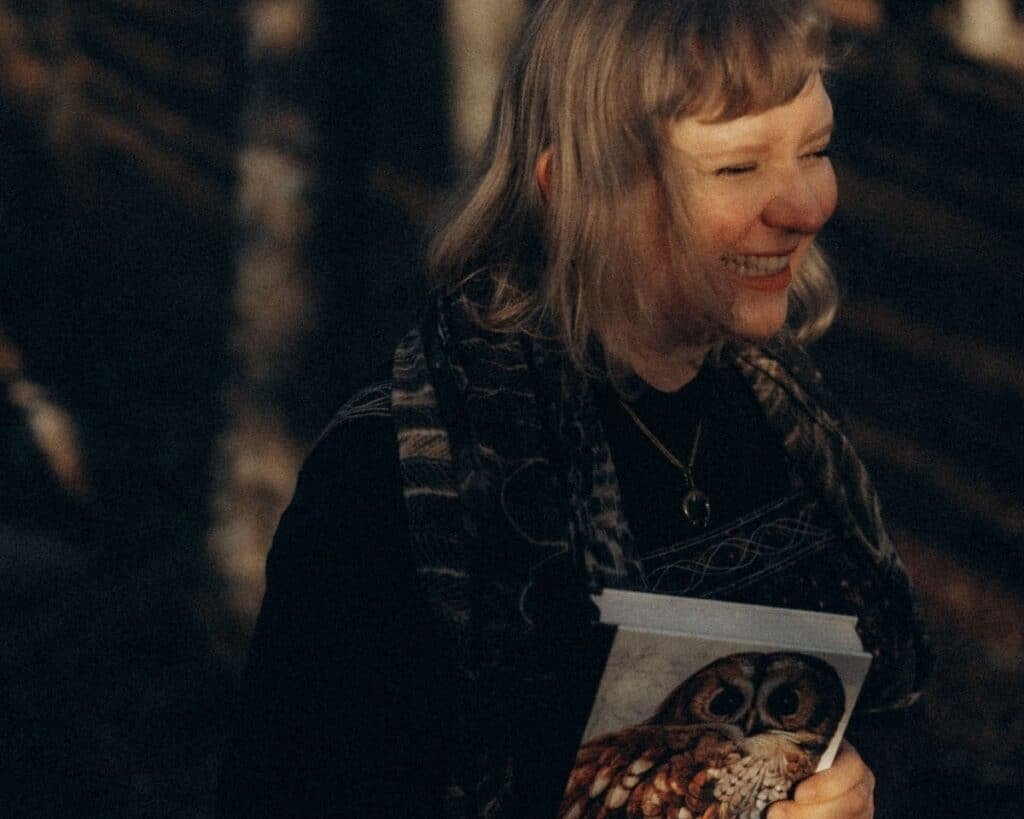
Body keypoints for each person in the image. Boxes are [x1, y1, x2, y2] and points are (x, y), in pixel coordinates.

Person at [217, 1, 932, 816]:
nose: (804, 207)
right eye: (738, 168)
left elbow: (889, 712)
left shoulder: (782, 414)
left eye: (815, 149)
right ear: (575, 188)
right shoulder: (398, 484)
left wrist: (855, 793)